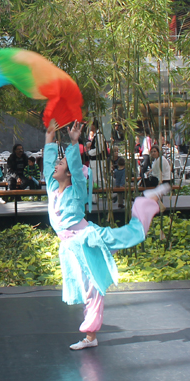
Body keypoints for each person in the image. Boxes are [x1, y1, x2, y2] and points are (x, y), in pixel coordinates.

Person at [44, 120, 171, 351]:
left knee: (125, 237)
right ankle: (91, 337)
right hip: (71, 247)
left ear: (70, 172)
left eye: (60, 163)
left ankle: (146, 203)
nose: (56, 165)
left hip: (87, 238)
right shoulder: (53, 189)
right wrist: (49, 137)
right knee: (88, 288)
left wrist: (74, 142)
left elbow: (75, 167)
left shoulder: (76, 189)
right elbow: (46, 165)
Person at [87, 120, 108, 203]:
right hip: (95, 160)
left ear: (94, 126)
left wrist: (89, 153)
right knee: (96, 179)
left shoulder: (99, 136)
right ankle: (94, 198)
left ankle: (111, 193)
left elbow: (100, 149)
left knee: (97, 179)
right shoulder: (97, 136)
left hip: (97, 161)